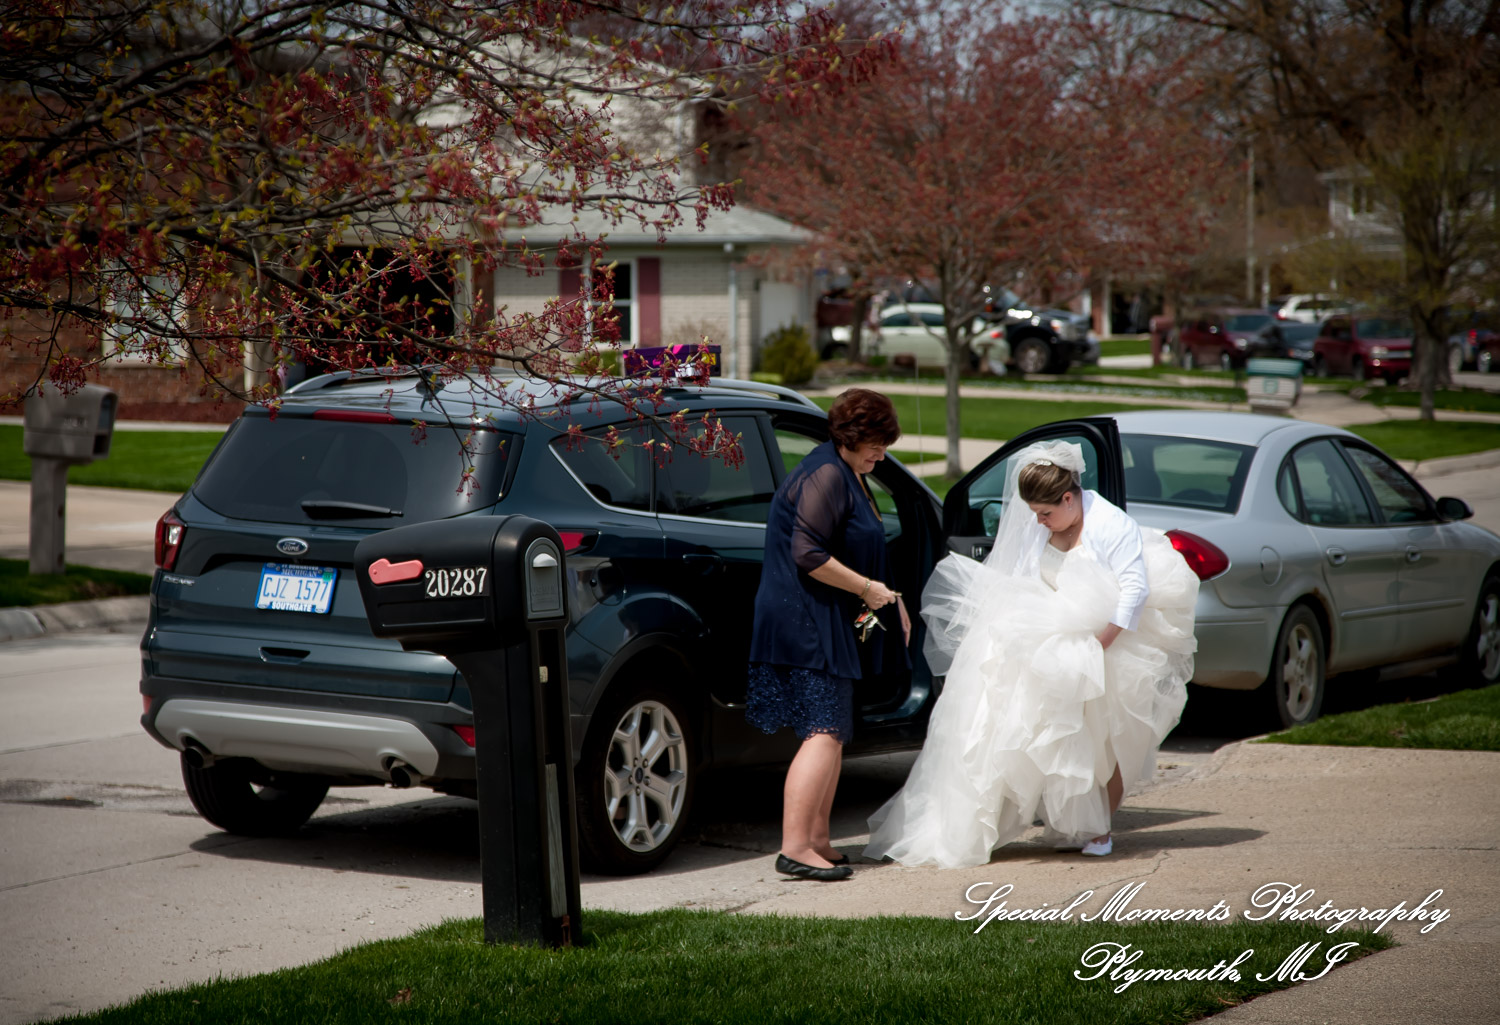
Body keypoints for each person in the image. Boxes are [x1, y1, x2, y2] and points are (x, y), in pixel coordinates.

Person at [864, 440, 1198, 868]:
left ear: (1069, 497)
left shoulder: (1112, 525)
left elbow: (1133, 591)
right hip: (1044, 633)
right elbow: (1020, 577)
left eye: (1046, 513)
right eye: (1034, 514)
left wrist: (1098, 647)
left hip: (1105, 638)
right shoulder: (1039, 523)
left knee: (1100, 739)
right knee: (1014, 725)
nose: (1039, 521)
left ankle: (1097, 826)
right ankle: (998, 819)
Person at [747, 388, 908, 882]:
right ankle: (794, 847)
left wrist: (889, 601)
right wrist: (869, 589)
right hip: (804, 621)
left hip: (823, 619)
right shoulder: (826, 476)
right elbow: (808, 554)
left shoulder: (848, 472)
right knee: (823, 731)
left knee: (833, 732)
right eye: (875, 443)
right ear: (851, 437)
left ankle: (818, 841)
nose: (882, 453)